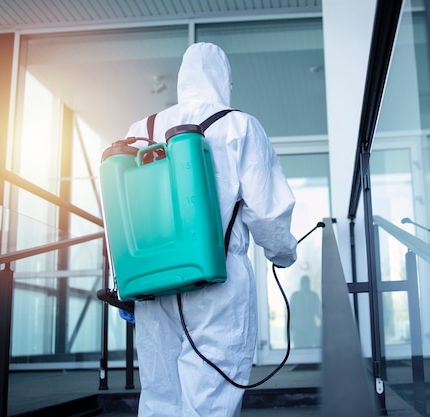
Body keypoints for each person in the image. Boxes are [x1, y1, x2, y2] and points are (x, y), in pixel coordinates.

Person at [123, 42, 298, 417]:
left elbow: (121, 212)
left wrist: (123, 283)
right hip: (217, 281)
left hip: (153, 284)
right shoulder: (239, 125)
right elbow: (267, 212)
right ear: (223, 80)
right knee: (210, 400)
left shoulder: (141, 129)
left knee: (159, 397)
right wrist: (283, 253)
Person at [290, 275, 321, 348]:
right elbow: (291, 313)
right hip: (298, 328)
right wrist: (291, 327)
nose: (305, 285)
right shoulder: (295, 296)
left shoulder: (314, 296)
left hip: (310, 327)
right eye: (303, 283)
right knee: (298, 348)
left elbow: (318, 312)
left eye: (307, 282)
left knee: (309, 348)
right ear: (301, 284)